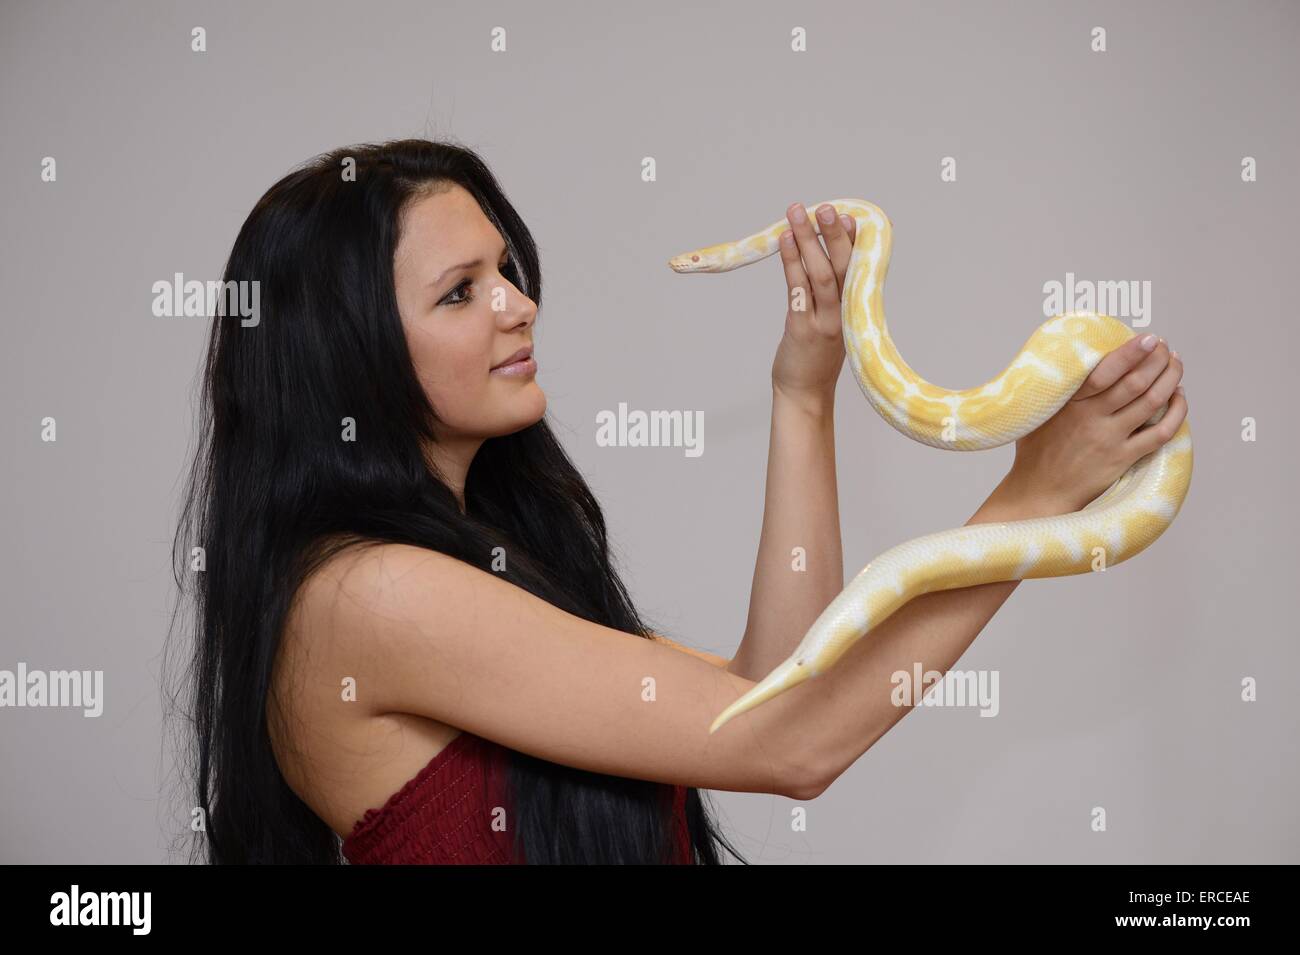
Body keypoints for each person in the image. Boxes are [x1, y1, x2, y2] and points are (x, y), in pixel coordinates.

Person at [166, 138, 1187, 865]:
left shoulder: (471, 565)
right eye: (459, 290)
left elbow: (777, 683)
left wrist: (801, 390)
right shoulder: (370, 595)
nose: (520, 303)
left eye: (508, 271)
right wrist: (1031, 500)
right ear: (346, 357)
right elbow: (792, 743)